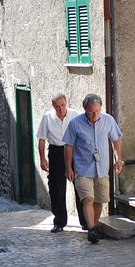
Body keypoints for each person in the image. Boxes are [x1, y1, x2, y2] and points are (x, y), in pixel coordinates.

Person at [63, 93, 123, 244]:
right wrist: (68, 168)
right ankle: (91, 229)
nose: (95, 114)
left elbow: (116, 141)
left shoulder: (108, 120)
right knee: (88, 198)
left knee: (99, 200)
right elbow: (68, 147)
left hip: (102, 168)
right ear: (85, 109)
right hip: (83, 168)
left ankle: (94, 226)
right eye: (91, 111)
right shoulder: (75, 124)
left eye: (97, 110)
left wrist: (119, 159)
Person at [37, 93, 88, 233]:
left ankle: (85, 221)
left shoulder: (76, 115)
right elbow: (41, 139)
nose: (60, 109)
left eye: (63, 105)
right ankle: (59, 222)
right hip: (56, 152)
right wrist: (42, 158)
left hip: (74, 152)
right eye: (57, 107)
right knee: (56, 188)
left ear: (66, 103)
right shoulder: (47, 117)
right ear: (53, 106)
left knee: (80, 186)